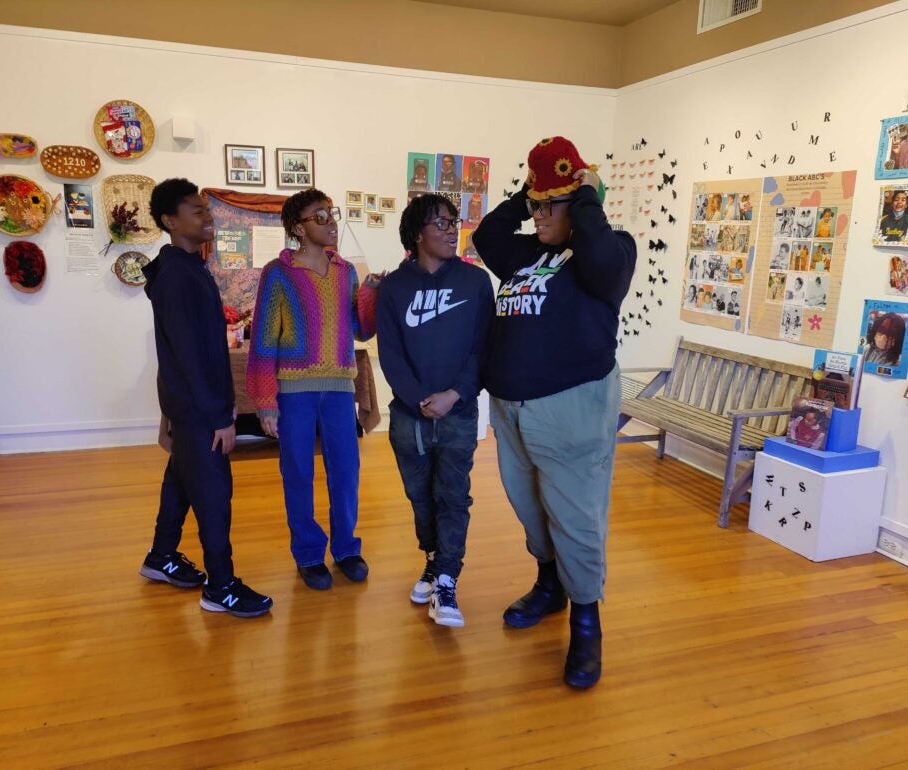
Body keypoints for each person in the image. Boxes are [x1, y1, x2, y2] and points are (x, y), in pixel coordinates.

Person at [472, 136, 636, 689]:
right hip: (511, 410)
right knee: (531, 508)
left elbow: (603, 257)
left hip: (571, 410)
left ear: (583, 206)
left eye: (550, 205)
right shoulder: (528, 253)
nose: (539, 215)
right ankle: (550, 587)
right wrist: (534, 193)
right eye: (535, 204)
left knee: (577, 517)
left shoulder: (607, 252)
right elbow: (487, 235)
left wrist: (585, 195)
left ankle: (587, 622)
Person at [139, 178, 272, 618]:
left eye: (207, 208)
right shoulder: (178, 275)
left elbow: (180, 352)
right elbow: (190, 356)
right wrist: (219, 415)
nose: (208, 215)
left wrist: (171, 414)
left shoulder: (186, 268)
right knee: (213, 492)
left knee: (181, 479)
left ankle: (160, 556)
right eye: (197, 211)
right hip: (198, 409)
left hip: (187, 405)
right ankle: (221, 585)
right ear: (170, 221)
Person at [246, 189, 385, 590]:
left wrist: (372, 291)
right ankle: (308, 553)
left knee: (346, 471)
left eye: (331, 213)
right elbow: (264, 341)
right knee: (298, 472)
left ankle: (346, 548)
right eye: (318, 215)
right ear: (297, 227)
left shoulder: (347, 272)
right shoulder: (278, 273)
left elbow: (362, 329)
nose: (330, 221)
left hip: (340, 388)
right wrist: (266, 401)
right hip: (294, 392)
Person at [376, 193, 494, 628]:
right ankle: (432, 559)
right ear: (417, 233)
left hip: (459, 412)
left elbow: (484, 348)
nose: (451, 230)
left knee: (453, 496)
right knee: (419, 498)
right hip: (410, 417)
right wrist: (418, 400)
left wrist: (454, 395)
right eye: (441, 223)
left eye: (453, 221)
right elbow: (389, 353)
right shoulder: (394, 287)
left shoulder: (476, 282)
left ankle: (447, 577)